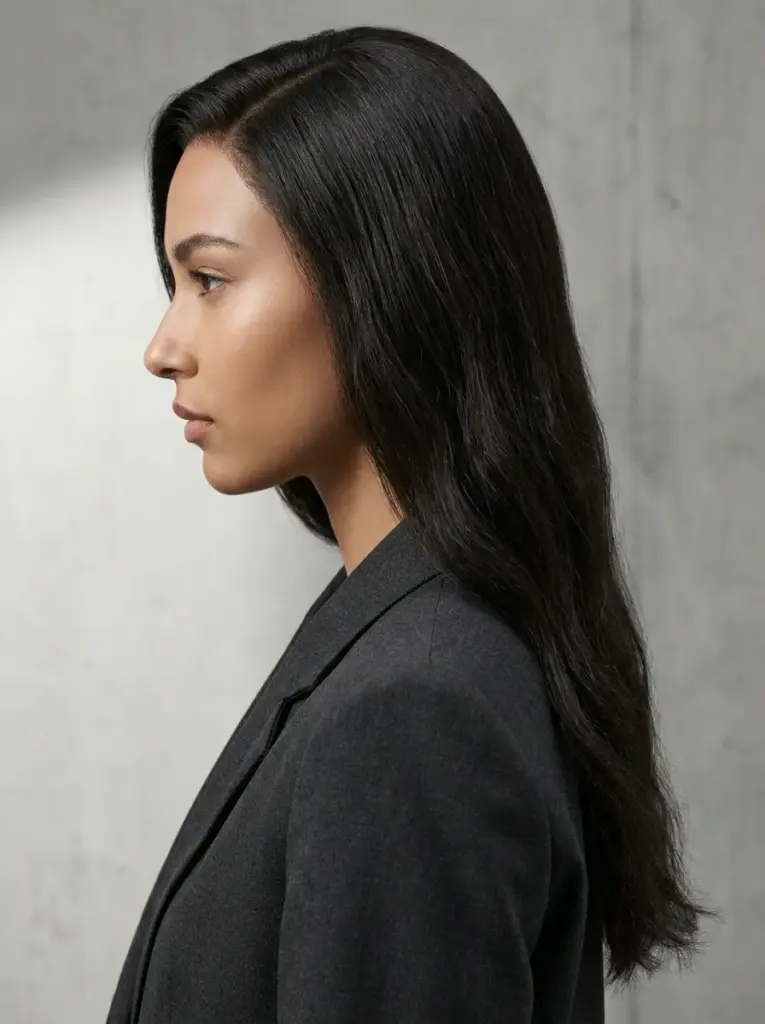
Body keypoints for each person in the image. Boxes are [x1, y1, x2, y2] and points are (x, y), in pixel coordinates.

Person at [107, 24, 713, 1024]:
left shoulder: (413, 704)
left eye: (209, 280)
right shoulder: (399, 635)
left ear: (382, 283)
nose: (163, 346)